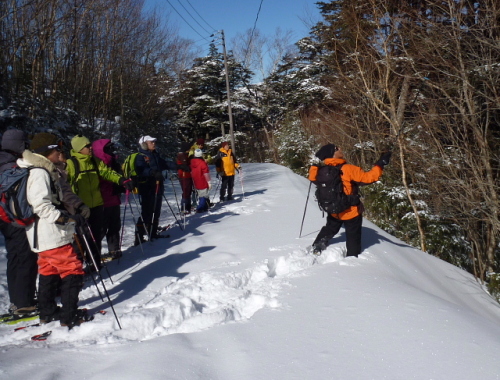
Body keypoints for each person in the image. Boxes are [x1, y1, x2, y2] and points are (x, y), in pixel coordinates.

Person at [17, 137, 90, 328]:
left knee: (47, 270)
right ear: (45, 152)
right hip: (50, 233)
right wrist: (67, 218)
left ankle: (47, 312)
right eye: (56, 149)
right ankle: (69, 316)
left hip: (40, 233)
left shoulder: (38, 170)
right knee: (72, 269)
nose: (60, 152)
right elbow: (41, 205)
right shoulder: (40, 172)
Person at [309, 143, 391, 257]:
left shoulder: (321, 170)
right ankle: (352, 257)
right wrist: (380, 164)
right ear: (333, 154)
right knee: (353, 235)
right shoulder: (348, 169)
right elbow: (369, 178)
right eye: (337, 148)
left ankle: (318, 245)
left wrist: (314, 166)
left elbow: (312, 178)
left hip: (333, 209)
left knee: (330, 228)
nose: (340, 148)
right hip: (350, 210)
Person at [66, 135, 133, 266]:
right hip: (80, 207)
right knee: (81, 238)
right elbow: (64, 185)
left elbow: (107, 172)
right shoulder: (71, 164)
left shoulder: (95, 161)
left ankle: (95, 264)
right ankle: (76, 268)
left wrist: (121, 180)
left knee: (96, 236)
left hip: (97, 204)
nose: (90, 148)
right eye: (87, 146)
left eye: (90, 145)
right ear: (79, 148)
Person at [0, 130, 38, 316]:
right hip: (16, 217)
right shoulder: (15, 165)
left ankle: (18, 300)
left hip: (4, 217)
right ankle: (24, 303)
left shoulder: (1, 160)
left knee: (14, 257)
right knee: (25, 257)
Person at [134, 135, 177, 245]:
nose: (154, 144)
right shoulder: (141, 156)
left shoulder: (155, 155)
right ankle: (139, 236)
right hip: (147, 187)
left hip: (158, 185)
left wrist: (180, 166)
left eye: (154, 142)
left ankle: (153, 232)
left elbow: (165, 164)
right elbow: (141, 169)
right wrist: (152, 172)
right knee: (147, 211)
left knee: (156, 210)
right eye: (151, 142)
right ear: (144, 144)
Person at [92, 139, 124, 260]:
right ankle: (93, 255)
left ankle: (114, 249)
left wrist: (121, 185)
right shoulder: (97, 163)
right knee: (100, 229)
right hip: (102, 201)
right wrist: (115, 184)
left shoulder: (113, 161)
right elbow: (99, 181)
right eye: (108, 148)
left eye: (111, 148)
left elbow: (117, 176)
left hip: (113, 199)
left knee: (114, 226)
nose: (111, 150)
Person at [190, 149, 211, 213]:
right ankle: (200, 208)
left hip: (196, 181)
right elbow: (206, 173)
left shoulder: (192, 162)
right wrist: (209, 182)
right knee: (203, 195)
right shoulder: (202, 163)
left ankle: (204, 207)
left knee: (200, 194)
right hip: (202, 181)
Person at [176, 142, 193, 214]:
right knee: (186, 191)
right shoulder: (182, 155)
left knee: (188, 191)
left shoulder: (184, 154)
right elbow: (185, 164)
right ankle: (184, 207)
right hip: (184, 175)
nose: (189, 150)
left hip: (187, 175)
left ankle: (188, 207)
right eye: (188, 149)